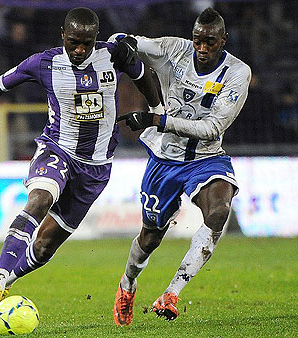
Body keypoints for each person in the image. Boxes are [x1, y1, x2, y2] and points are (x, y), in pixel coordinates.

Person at [0, 7, 162, 319]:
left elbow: (144, 75)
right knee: (39, 200)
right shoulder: (45, 62)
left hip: (96, 167)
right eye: (73, 42)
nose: (80, 50)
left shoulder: (114, 56)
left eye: (86, 43)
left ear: (96, 38)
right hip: (58, 149)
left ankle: (8, 282)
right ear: (62, 36)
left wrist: (158, 113)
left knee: (43, 247)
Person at [112, 7, 251, 326]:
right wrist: (123, 43)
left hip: (206, 158)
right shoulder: (174, 49)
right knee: (150, 238)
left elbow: (213, 127)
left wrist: (157, 119)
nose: (202, 48)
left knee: (218, 212)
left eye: (210, 43)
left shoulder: (237, 73)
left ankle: (172, 293)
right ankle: (127, 285)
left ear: (223, 41)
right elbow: (129, 41)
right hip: (165, 161)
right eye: (198, 40)